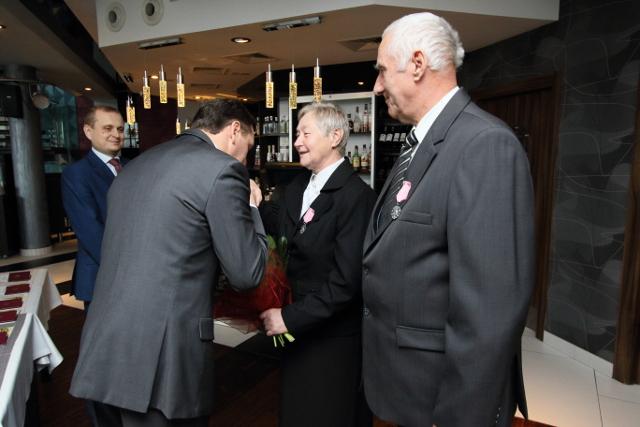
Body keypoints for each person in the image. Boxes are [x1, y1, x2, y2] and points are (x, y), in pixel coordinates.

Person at [362, 12, 535, 427]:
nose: (377, 86)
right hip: (405, 390)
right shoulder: (422, 142)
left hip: (442, 403)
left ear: (417, 65)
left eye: (382, 70)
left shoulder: (484, 145)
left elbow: (489, 314)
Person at [70, 99, 268, 426]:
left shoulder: (137, 165)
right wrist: (252, 206)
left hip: (107, 345)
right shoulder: (223, 170)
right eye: (249, 146)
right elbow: (247, 273)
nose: (246, 157)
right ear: (235, 130)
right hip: (163, 358)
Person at [260, 102, 376, 427]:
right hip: (298, 333)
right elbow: (285, 231)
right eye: (297, 134)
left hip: (332, 341)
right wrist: (254, 207)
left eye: (305, 134)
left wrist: (288, 317)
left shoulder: (357, 197)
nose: (297, 142)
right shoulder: (297, 187)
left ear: (335, 136)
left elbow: (346, 283)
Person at [62, 105, 125, 311]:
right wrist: (126, 269)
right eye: (107, 128)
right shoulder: (77, 174)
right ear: (88, 131)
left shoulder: (134, 166)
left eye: (120, 129)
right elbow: (90, 230)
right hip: (102, 273)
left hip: (139, 271)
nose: (116, 134)